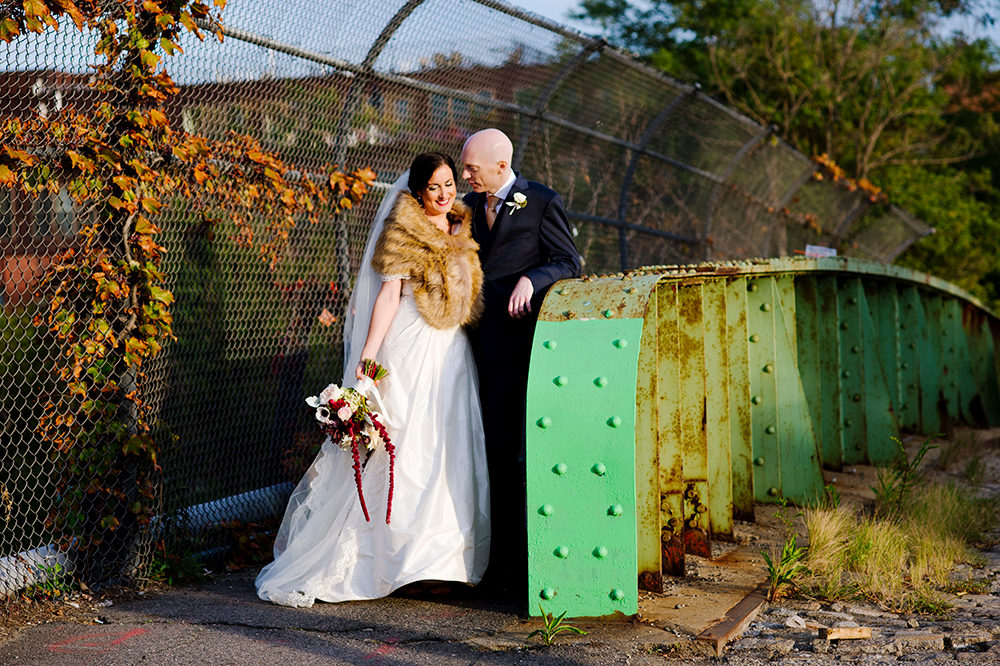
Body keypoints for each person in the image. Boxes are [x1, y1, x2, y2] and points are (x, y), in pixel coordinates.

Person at [256, 152, 490, 607]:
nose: (443, 195)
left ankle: (443, 561)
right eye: (433, 188)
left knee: (450, 445)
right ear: (418, 193)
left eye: (448, 185)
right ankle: (401, 560)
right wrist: (367, 356)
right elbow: (386, 296)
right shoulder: (403, 230)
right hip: (409, 344)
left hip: (450, 350)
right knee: (408, 444)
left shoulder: (463, 227)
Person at [460, 129, 581, 590]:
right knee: (487, 453)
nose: (464, 173)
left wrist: (533, 278)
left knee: (513, 453)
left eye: (472, 167)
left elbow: (568, 261)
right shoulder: (467, 207)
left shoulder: (542, 201)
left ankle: (522, 563)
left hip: (517, 348)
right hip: (471, 345)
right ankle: (495, 558)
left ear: (500, 165)